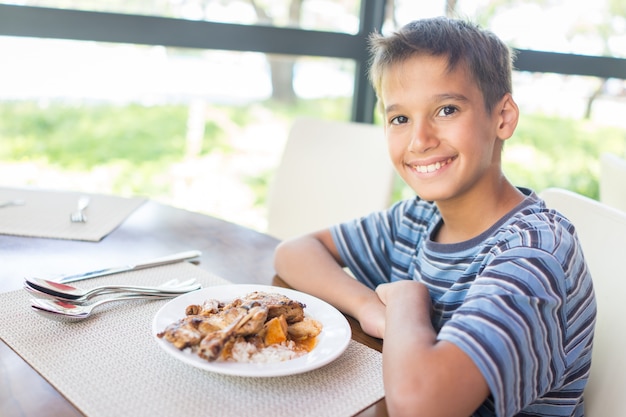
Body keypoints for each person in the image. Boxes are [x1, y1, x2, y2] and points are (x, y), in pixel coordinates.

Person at [273, 16, 596, 417]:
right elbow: (294, 252)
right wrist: (369, 308)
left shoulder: (533, 255)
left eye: (446, 109)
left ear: (503, 117)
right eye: (400, 119)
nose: (420, 140)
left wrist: (407, 298)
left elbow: (422, 407)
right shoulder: (418, 218)